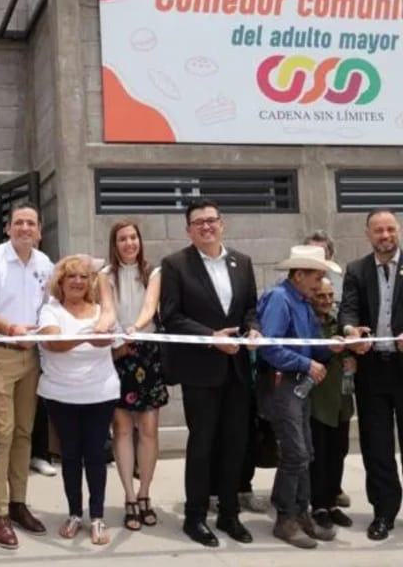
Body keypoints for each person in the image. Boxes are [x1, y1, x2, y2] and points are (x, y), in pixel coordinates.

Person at [160, 198, 261, 548]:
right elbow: (171, 316)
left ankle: (229, 513)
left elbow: (251, 308)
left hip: (237, 370)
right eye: (198, 222)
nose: (206, 226)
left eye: (211, 220)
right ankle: (195, 516)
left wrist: (253, 329)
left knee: (235, 443)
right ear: (189, 230)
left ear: (222, 223)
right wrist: (210, 337)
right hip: (201, 370)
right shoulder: (176, 265)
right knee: (202, 444)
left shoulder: (242, 262)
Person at [0, 200, 54, 549]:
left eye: (30, 223)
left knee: (23, 432)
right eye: (18, 222)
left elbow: (50, 307)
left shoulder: (45, 264)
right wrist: (11, 329)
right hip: (1, 354)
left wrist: (46, 329)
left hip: (31, 356)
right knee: (1, 434)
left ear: (39, 230)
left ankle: (18, 503)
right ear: (8, 228)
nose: (24, 228)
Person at [257, 245, 342, 548]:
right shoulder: (280, 299)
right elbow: (269, 347)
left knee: (305, 451)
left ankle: (299, 513)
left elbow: (311, 345)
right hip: (283, 385)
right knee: (296, 452)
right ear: (299, 275)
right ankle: (286, 517)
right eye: (317, 277)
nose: (320, 284)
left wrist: (329, 347)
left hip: (297, 384)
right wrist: (307, 363)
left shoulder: (302, 302)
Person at [37, 255, 119, 544]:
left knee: (96, 455)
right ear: (60, 281)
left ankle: (97, 517)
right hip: (61, 395)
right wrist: (88, 335)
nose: (77, 281)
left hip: (100, 393)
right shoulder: (50, 310)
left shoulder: (102, 311)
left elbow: (111, 341)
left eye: (84, 276)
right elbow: (53, 343)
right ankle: (74, 513)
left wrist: (93, 335)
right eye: (71, 276)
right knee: (70, 455)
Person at [339, 208, 403, 541]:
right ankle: (383, 513)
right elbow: (347, 309)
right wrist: (351, 331)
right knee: (376, 446)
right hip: (373, 369)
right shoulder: (357, 270)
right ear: (368, 234)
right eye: (378, 230)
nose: (385, 236)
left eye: (390, 229)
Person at [102, 220, 168, 532]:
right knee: (122, 429)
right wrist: (114, 333)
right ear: (114, 244)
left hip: (147, 352)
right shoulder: (104, 275)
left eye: (133, 238)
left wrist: (136, 327)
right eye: (122, 239)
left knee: (149, 428)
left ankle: (145, 494)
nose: (129, 243)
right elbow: (107, 310)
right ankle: (129, 496)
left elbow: (149, 307)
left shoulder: (153, 272)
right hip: (118, 352)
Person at [309, 278, 354, 530]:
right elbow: (308, 352)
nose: (326, 301)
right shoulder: (308, 323)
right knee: (319, 454)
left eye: (330, 295)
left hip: (342, 400)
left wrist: (352, 359)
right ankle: (319, 506)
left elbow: (351, 351)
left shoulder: (339, 323)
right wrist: (328, 350)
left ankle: (332, 502)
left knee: (339, 451)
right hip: (318, 401)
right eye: (321, 296)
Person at [304, 230, 344, 306]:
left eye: (321, 254)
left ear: (331, 256)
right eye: (312, 253)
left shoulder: (339, 283)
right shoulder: (289, 282)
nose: (316, 259)